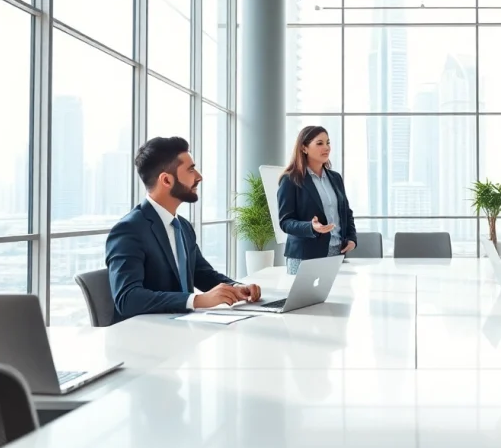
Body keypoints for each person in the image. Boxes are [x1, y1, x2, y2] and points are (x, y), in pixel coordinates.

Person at [106, 136, 261, 322]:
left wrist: (235, 287)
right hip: (145, 337)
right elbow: (127, 299)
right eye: (191, 169)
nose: (199, 177)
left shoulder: (183, 226)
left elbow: (201, 273)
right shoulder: (129, 230)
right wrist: (197, 300)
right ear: (166, 180)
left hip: (182, 328)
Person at [277, 126, 357, 274]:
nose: (326, 147)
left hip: (336, 253)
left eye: (328, 143)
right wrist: (311, 227)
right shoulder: (290, 179)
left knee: (337, 296)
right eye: (319, 143)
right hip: (305, 256)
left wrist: (352, 238)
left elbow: (346, 212)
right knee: (304, 298)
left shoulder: (335, 178)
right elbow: (285, 222)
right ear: (304, 148)